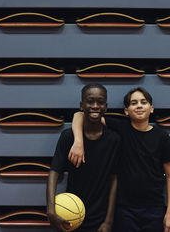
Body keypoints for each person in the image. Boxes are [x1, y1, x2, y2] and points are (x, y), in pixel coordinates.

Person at [69, 87, 170, 232]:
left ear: (151, 108)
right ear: (126, 111)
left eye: (143, 102)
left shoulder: (162, 136)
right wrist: (78, 141)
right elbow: (79, 115)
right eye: (133, 103)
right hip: (125, 209)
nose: (139, 105)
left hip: (154, 208)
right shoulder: (121, 127)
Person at [47, 84, 121, 232]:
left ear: (105, 107)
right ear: (81, 105)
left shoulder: (114, 139)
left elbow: (114, 179)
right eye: (90, 101)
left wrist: (109, 220)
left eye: (100, 102)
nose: (95, 106)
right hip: (69, 215)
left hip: (100, 217)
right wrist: (50, 210)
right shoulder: (68, 137)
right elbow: (54, 172)